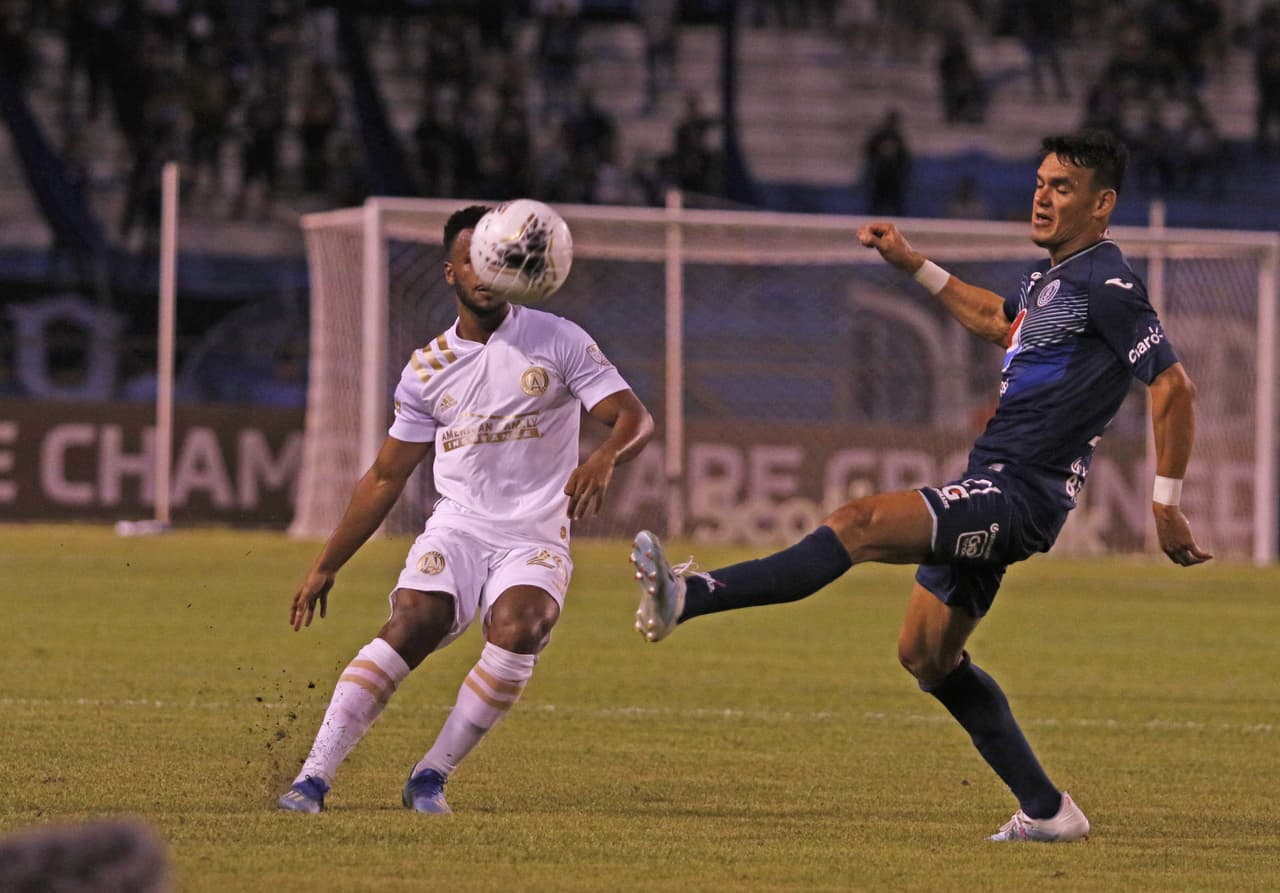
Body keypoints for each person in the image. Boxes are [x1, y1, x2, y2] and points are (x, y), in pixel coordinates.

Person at [629, 130, 1211, 842]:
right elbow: (998, 322)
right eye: (1040, 182)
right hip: (995, 481)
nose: (1042, 195)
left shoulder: (1110, 281)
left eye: (1062, 186)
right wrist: (912, 264)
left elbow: (1173, 386)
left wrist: (1167, 502)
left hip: (1021, 492)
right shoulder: (1049, 281)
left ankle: (687, 595)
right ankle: (1049, 810)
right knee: (926, 654)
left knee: (859, 522)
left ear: (1102, 204)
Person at [279, 205, 654, 815]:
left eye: (499, 257)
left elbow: (635, 417)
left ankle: (429, 777)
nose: (489, 269)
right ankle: (313, 778)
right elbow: (384, 476)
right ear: (452, 271)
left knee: (521, 626)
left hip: (535, 532)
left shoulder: (557, 339)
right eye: (475, 258)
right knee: (412, 623)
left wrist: (606, 456)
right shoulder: (426, 369)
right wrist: (327, 563)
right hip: (458, 526)